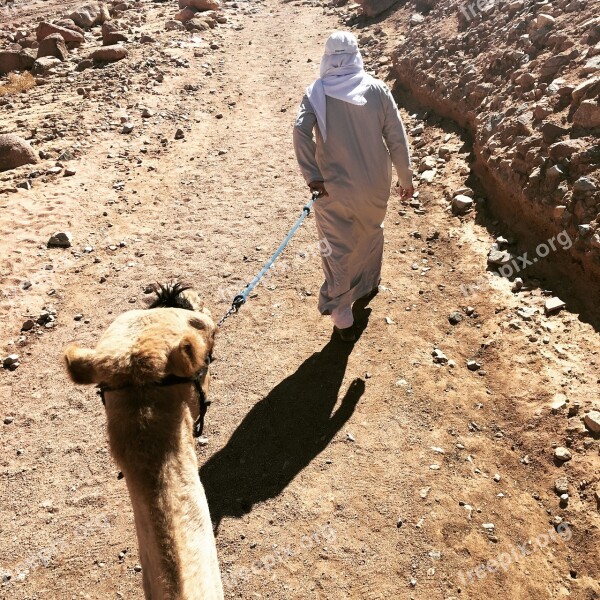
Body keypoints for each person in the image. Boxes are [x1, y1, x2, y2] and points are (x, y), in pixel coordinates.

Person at [293, 31, 414, 342]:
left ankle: (342, 313)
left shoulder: (316, 93)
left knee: (336, 248)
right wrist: (406, 177)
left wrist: (312, 176)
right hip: (375, 184)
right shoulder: (377, 89)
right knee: (370, 232)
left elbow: (299, 131)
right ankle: (368, 285)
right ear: (356, 55)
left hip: (332, 188)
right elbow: (396, 139)